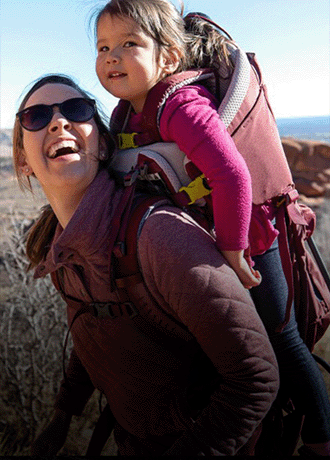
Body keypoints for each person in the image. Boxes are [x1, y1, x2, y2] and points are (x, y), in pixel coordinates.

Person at [92, 0, 330, 455]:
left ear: (167, 58)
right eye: (103, 46)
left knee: (283, 339)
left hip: (247, 238)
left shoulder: (179, 103)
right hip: (204, 236)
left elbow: (233, 174)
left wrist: (235, 252)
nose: (112, 57)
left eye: (128, 44)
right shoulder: (129, 113)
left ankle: (321, 439)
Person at [13, 74, 279, 456]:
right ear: (23, 161)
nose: (58, 122)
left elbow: (256, 378)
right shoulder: (61, 250)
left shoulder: (159, 236)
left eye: (76, 110)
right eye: (36, 117)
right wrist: (62, 415)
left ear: (103, 147)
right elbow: (94, 325)